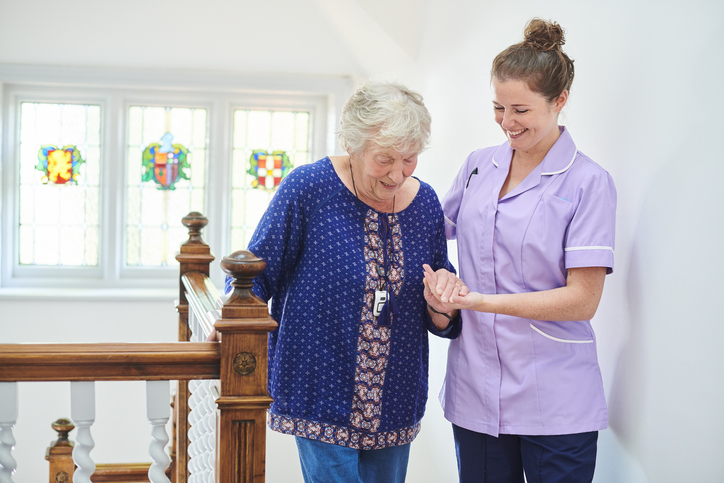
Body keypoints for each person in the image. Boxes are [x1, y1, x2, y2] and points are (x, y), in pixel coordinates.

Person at [230, 79, 462, 483]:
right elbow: (255, 278)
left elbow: (440, 296)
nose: (397, 173)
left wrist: (443, 304)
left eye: (409, 159)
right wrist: (231, 337)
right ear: (352, 145)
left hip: (396, 393)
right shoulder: (308, 188)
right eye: (384, 159)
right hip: (319, 387)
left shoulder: (425, 203)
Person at [422, 18, 617, 483]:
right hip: (476, 389)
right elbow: (427, 233)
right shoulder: (477, 167)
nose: (507, 123)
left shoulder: (588, 182)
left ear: (560, 102)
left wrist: (479, 302)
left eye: (521, 110)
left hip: (555, 396)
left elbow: (582, 300)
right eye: (498, 108)